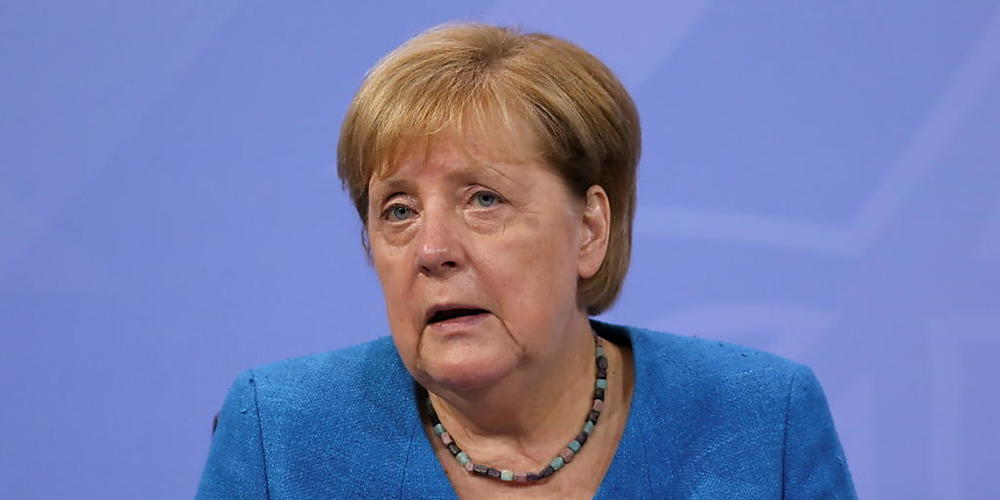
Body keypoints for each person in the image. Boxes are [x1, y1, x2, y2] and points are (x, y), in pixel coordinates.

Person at [196, 22, 856, 499]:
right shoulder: (279, 436)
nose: (432, 251)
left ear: (590, 229)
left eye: (483, 199)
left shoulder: (762, 419)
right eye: (398, 210)